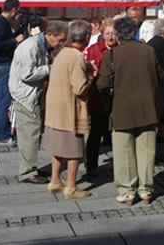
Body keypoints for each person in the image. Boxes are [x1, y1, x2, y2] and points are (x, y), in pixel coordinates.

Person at [97, 17, 163, 205]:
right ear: (135, 33)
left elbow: (102, 84)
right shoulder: (149, 51)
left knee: (123, 152)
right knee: (146, 151)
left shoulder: (111, 55)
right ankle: (146, 190)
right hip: (147, 108)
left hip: (121, 109)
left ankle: (127, 192)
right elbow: (160, 75)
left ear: (117, 35)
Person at [10, 20, 68, 185]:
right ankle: (27, 172)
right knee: (30, 134)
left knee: (34, 132)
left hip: (33, 95)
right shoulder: (30, 47)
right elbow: (26, 74)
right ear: (49, 35)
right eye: (60, 40)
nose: (61, 44)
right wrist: (50, 68)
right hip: (25, 96)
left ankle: (30, 167)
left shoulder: (42, 46)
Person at [44, 20, 94, 199]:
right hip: (69, 110)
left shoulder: (62, 53)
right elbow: (79, 88)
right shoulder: (76, 56)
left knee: (57, 146)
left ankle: (55, 180)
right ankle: (71, 186)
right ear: (87, 37)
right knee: (74, 148)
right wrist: (90, 74)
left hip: (54, 108)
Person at [0, 0, 25, 146]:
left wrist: (17, 29)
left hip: (0, 64)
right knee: (3, 101)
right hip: (3, 64)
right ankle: (4, 134)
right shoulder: (0, 23)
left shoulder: (2, 22)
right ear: (14, 10)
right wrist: (15, 40)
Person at [83, 18, 116, 176]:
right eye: (107, 33)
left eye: (113, 33)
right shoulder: (94, 49)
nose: (110, 37)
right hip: (98, 96)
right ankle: (91, 166)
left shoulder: (121, 49)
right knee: (96, 133)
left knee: (117, 134)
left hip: (117, 97)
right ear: (102, 34)